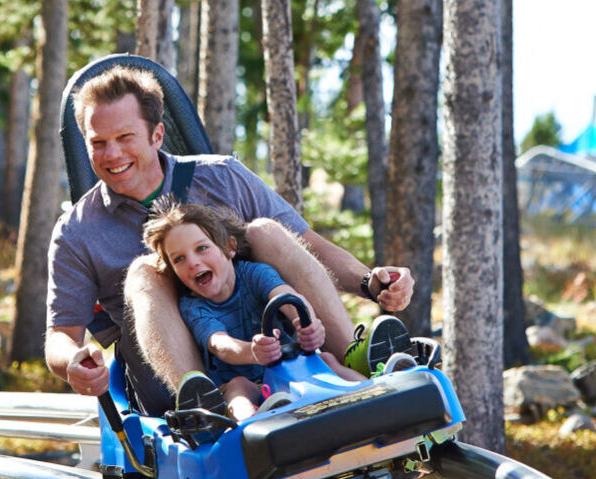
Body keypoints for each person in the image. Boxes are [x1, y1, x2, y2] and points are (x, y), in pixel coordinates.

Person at [42, 65, 415, 411]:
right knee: (144, 271)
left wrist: (370, 282)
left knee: (264, 231)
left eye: (124, 137)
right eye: (98, 142)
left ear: (157, 135)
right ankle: (203, 405)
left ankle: (352, 355)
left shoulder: (223, 177)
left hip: (267, 338)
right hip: (175, 376)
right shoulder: (77, 231)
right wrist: (72, 361)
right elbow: (61, 334)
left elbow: (308, 245)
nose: (112, 154)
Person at [141, 200, 367, 424]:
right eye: (179, 259)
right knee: (237, 388)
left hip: (288, 368)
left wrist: (306, 322)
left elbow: (285, 295)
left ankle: (372, 390)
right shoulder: (194, 306)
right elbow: (220, 345)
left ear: (230, 247)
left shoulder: (253, 274)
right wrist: (252, 352)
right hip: (249, 384)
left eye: (202, 248)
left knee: (326, 358)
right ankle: (252, 422)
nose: (192, 262)